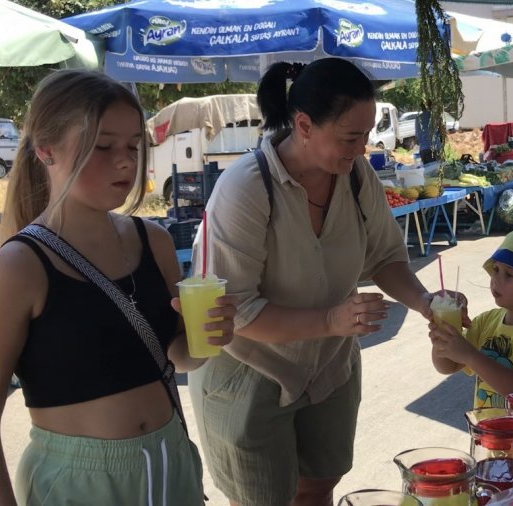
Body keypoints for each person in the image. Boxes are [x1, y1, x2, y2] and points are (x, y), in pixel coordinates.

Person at [187, 58, 456, 506]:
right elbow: (240, 313)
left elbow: (387, 257)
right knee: (264, 499)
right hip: (252, 371)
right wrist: (332, 319)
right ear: (305, 125)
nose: (362, 148)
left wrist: (426, 301)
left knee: (316, 489)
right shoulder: (246, 188)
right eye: (351, 137)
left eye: (367, 135)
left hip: (329, 368)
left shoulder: (355, 176)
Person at [0, 70, 236, 505]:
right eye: (103, 146)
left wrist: (208, 338)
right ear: (45, 150)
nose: (125, 161)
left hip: (169, 461)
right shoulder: (19, 266)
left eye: (133, 146)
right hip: (77, 481)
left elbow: (175, 355)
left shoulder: (154, 241)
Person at [428, 227, 513, 408]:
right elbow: (447, 366)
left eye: (509, 275)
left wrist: (471, 356)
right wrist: (443, 336)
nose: (495, 279)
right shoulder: (486, 321)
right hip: (487, 433)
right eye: (495, 269)